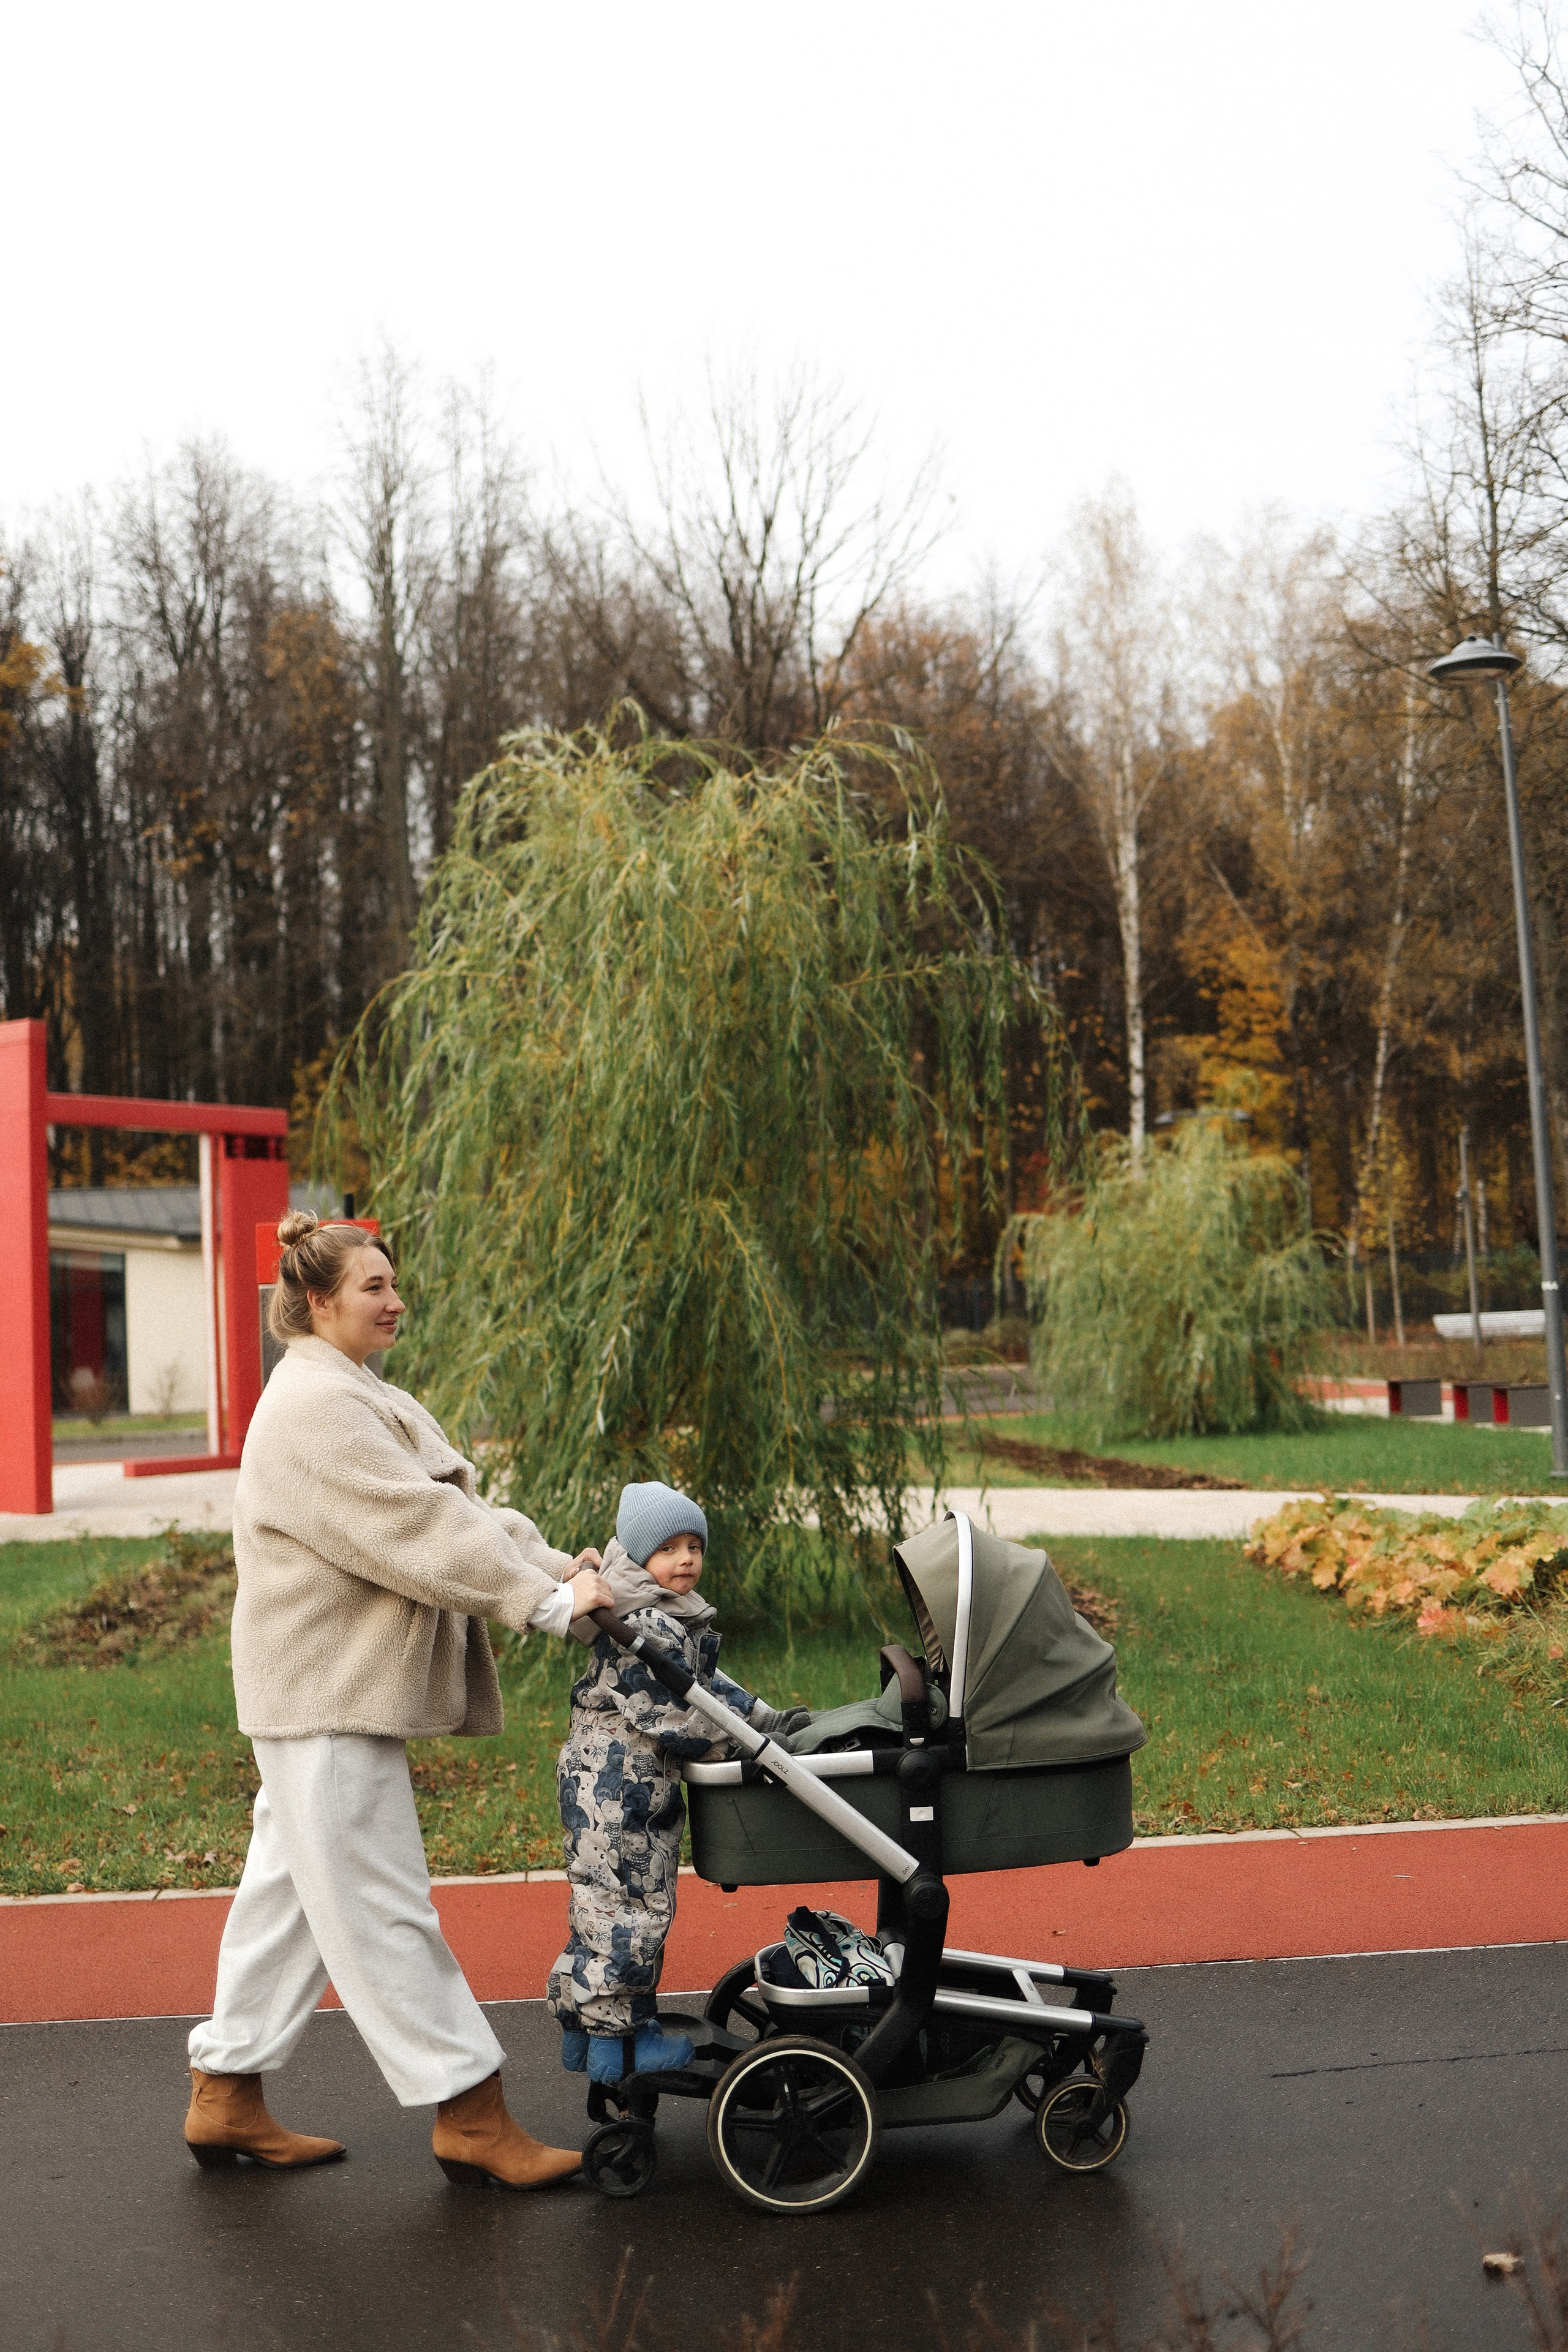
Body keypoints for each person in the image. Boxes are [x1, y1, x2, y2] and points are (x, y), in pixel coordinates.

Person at [184, 1210, 613, 2190]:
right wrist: (544, 1604)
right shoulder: (314, 1410)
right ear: (318, 1301)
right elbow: (415, 1529)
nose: (395, 1299)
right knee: (382, 1904)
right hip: (327, 1696)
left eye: (392, 1282)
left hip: (322, 1692)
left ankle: (225, 2094)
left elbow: (460, 1510)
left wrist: (557, 1565)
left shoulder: (355, 1390)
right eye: (373, 1287)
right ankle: (469, 2112)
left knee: (290, 1897)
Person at [545, 1481, 807, 2084]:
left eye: (695, 1545)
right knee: (633, 1910)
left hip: (607, 1788)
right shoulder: (644, 1626)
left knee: (599, 1907)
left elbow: (703, 1688)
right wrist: (752, 1746)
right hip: (621, 1796)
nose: (687, 1558)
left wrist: (764, 1718)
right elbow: (679, 1719)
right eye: (669, 1547)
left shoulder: (657, 1617)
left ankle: (584, 2034)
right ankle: (619, 2046)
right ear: (639, 1558)